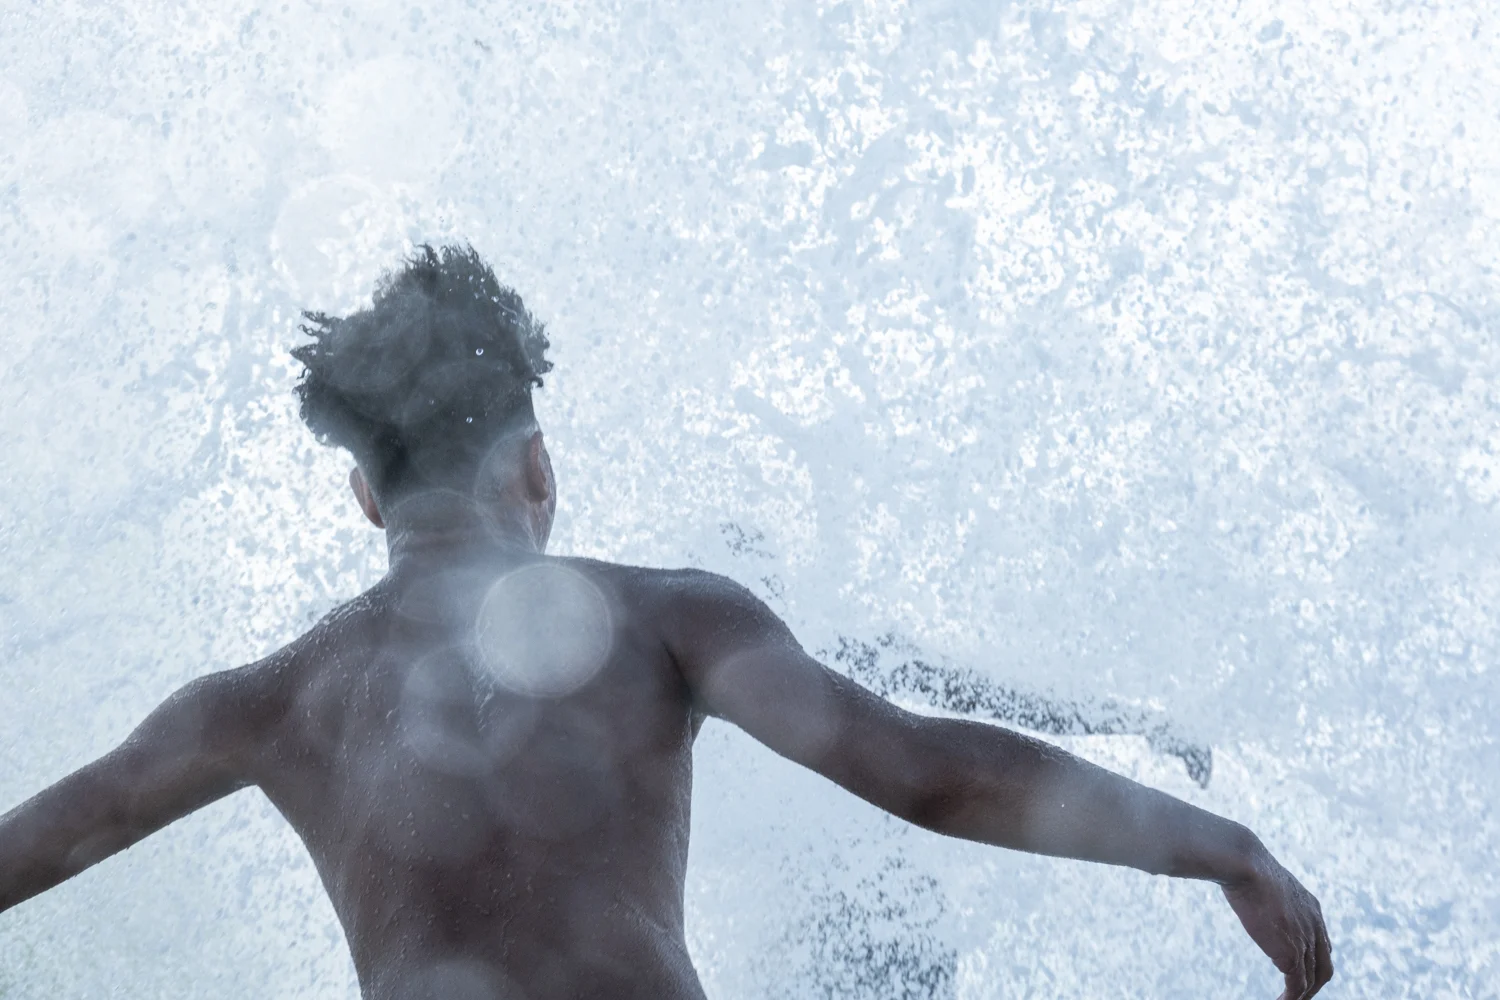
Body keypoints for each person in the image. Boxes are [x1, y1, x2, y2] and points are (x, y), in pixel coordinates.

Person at [0, 244, 1333, 999]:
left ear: (362, 492)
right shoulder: (667, 618)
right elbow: (930, 772)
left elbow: (47, 842)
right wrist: (1222, 848)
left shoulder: (271, 703)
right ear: (538, 463)